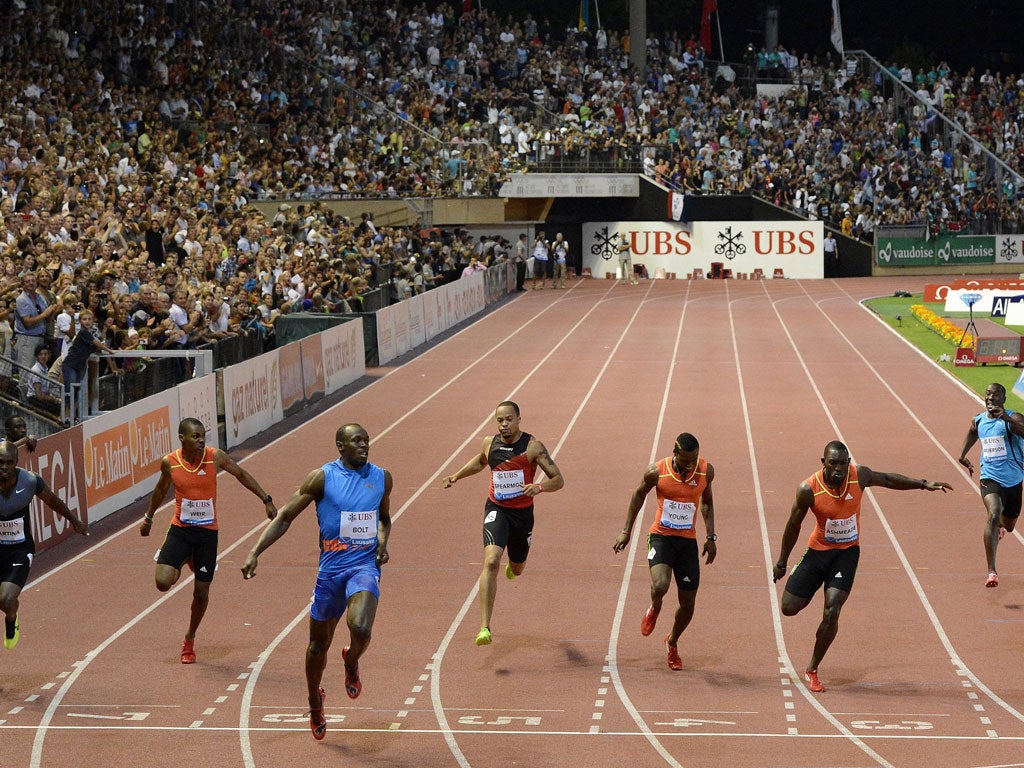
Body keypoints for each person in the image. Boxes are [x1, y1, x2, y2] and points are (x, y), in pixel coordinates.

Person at [241, 424, 392, 741]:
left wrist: (382, 541)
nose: (364, 445)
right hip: (330, 572)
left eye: (367, 440)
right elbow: (284, 518)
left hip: (363, 566)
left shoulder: (381, 478)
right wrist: (255, 552)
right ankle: (314, 702)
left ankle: (351, 661)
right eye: (356, 441)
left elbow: (384, 518)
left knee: (361, 627)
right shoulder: (322, 478)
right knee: (316, 648)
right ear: (340, 446)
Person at [772, 440, 951, 692]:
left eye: (843, 463)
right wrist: (782, 561)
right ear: (823, 463)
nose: (838, 469)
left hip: (846, 554)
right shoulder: (808, 489)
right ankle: (811, 585)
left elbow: (888, 479)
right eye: (833, 463)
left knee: (832, 609)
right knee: (789, 608)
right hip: (818, 552)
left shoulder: (860, 476)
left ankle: (812, 668)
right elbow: (793, 525)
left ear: (848, 463)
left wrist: (923, 484)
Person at [140, 417, 276, 664]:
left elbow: (241, 474)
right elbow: (160, 490)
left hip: (207, 535)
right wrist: (148, 518)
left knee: (201, 593)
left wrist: (265, 499)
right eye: (196, 436)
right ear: (182, 438)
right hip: (180, 530)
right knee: (162, 582)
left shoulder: (216, 457)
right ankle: (182, 559)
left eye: (203, 435)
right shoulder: (170, 463)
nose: (201, 440)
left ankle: (189, 640)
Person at [441, 401, 564, 646]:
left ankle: (514, 567)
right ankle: (484, 627)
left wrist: (538, 487)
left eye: (508, 419)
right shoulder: (490, 443)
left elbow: (558, 480)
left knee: (517, 568)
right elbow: (480, 461)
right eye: (500, 420)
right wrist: (456, 476)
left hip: (522, 515)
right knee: (491, 560)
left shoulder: (532, 447)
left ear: (519, 419)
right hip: (497, 509)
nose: (504, 424)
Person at [612, 433, 716, 671]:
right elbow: (638, 495)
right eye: (686, 459)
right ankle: (655, 607)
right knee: (660, 585)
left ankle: (672, 642)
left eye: (694, 459)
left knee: (688, 604)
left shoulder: (705, 471)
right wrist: (626, 531)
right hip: (661, 536)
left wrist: (711, 537)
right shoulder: (656, 472)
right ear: (675, 453)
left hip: (687, 542)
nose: (691, 464)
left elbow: (707, 501)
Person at [0, 439, 88, 649]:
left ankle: (11, 618)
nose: (4, 467)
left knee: (6, 599)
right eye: (0, 462)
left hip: (19, 550)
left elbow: (53, 501)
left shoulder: (30, 482)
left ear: (16, 462)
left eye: (9, 463)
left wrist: (74, 520)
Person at [957, 382, 1024, 587]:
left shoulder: (1013, 417)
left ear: (1003, 399)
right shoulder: (979, 420)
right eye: (988, 395)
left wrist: (1005, 417)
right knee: (993, 513)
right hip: (989, 477)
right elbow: (972, 431)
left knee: (1009, 525)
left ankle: (1002, 527)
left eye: (995, 395)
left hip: (1013, 480)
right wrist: (962, 454)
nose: (990, 398)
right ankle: (992, 571)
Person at [60, 309, 116, 424]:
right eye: (84, 319)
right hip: (70, 364)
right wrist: (108, 350)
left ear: (93, 320)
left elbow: (95, 347)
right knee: (69, 389)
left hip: (80, 366)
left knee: (76, 390)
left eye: (89, 319)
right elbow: (96, 343)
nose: (87, 321)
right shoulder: (83, 332)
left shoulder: (92, 333)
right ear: (80, 321)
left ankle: (71, 416)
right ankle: (64, 416)